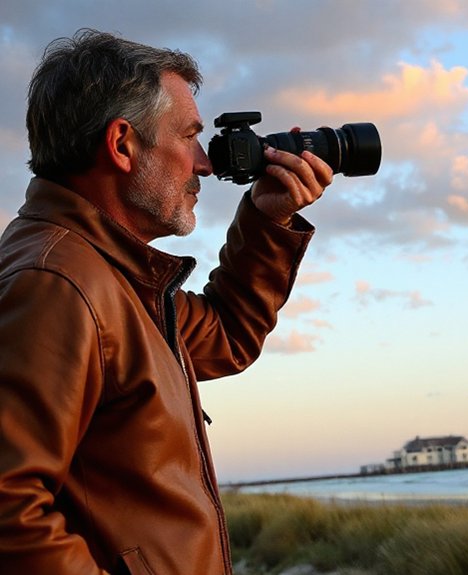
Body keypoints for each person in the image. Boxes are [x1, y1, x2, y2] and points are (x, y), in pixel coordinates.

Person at [0, 29, 334, 574]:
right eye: (189, 136)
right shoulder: (55, 282)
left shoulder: (114, 277)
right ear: (122, 144)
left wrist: (267, 218)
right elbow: (9, 508)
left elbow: (225, 336)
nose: (205, 164)